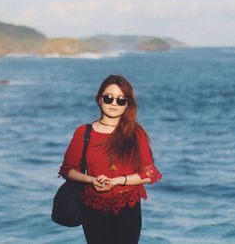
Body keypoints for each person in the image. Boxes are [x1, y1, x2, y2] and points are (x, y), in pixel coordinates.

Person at [58, 75, 162, 244]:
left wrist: (117, 181)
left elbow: (149, 173)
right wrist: (92, 180)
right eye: (109, 98)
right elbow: (68, 170)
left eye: (121, 100)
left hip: (128, 208)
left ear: (127, 104)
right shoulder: (84, 133)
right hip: (92, 207)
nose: (114, 103)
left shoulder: (135, 133)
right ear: (100, 100)